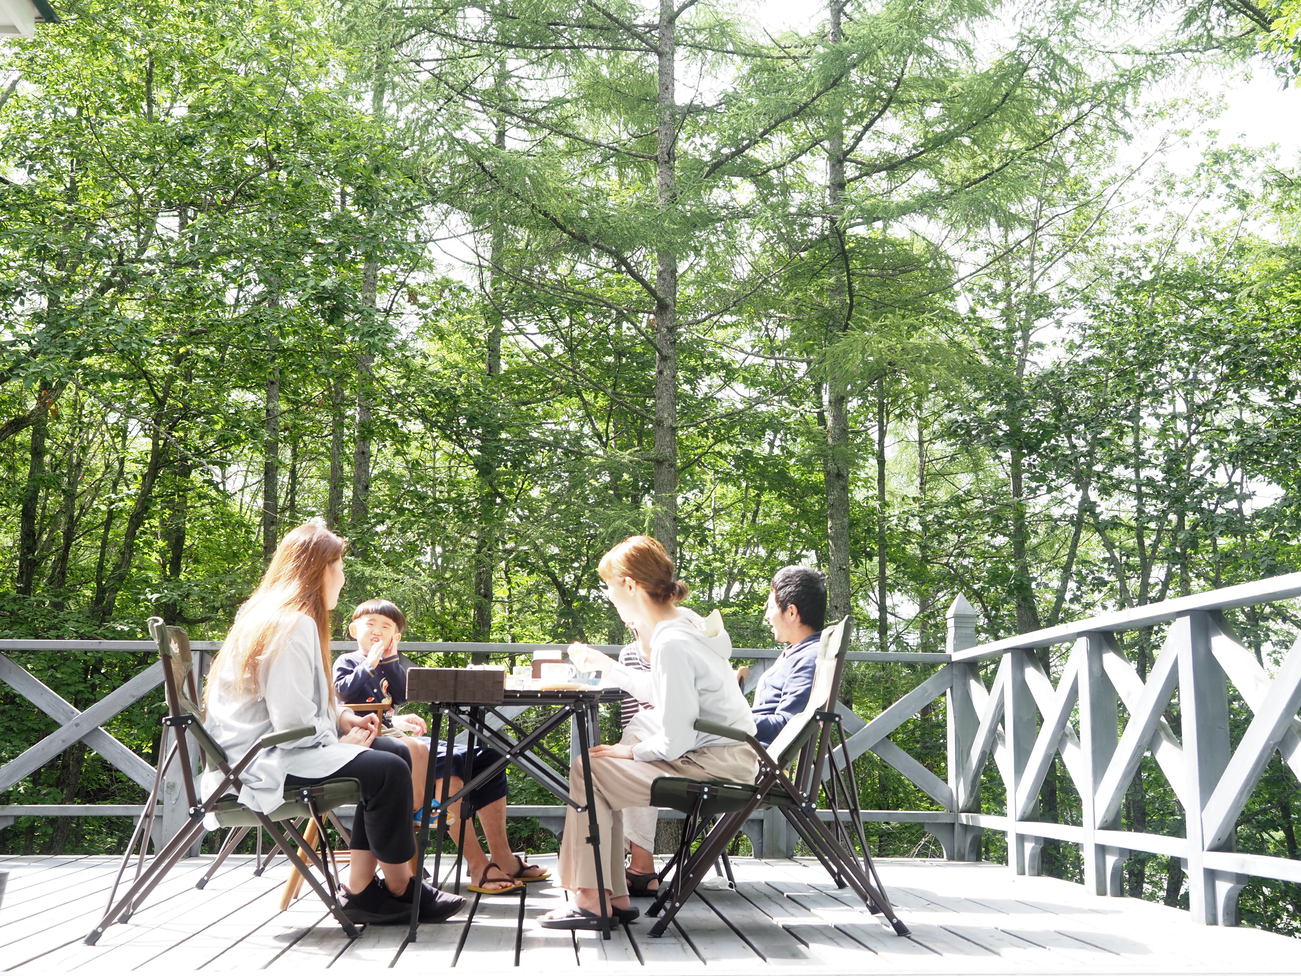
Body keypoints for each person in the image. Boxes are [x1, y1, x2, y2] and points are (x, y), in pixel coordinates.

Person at [201, 522, 463, 925]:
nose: (342, 578)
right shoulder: (291, 624)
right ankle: (402, 887)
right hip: (260, 762)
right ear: (319, 568)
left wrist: (344, 718)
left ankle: (360, 890)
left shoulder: (274, 616)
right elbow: (290, 718)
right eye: (339, 567)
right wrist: (345, 744)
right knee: (389, 766)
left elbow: (304, 702)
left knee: (392, 751)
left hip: (264, 750)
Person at [542, 535, 757, 929]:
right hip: (728, 757)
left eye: (609, 586)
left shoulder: (672, 644)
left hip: (716, 767)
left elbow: (676, 740)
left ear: (629, 584)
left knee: (590, 772)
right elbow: (665, 694)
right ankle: (613, 897)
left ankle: (594, 899)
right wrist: (613, 670)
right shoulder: (685, 624)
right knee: (595, 771)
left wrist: (632, 752)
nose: (608, 596)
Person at [333, 599, 550, 894]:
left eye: (387, 627)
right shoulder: (348, 661)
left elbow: (399, 694)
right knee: (448, 773)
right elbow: (344, 692)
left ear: (396, 637)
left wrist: (391, 665)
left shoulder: (388, 662)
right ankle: (475, 863)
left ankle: (503, 858)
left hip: (392, 731)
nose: (377, 631)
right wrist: (369, 662)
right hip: (366, 741)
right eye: (370, 624)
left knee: (489, 758)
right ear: (352, 629)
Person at [748, 566, 827, 747]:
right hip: (745, 753)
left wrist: (732, 720)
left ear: (791, 612)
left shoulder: (809, 658)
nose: (767, 615)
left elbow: (787, 724)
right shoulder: (798, 652)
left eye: (771, 606)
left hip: (753, 760)